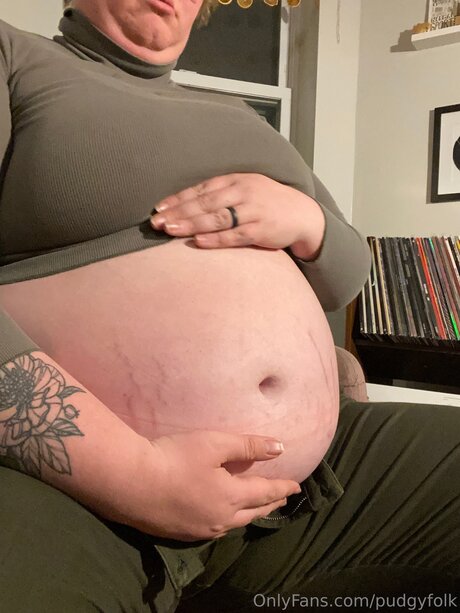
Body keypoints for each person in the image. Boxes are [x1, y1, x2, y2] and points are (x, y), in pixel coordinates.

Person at [0, 1, 458, 611]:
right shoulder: (16, 57)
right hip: (73, 486)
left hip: (304, 490)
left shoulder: (239, 116)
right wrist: (136, 475)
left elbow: (348, 276)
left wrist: (308, 220)